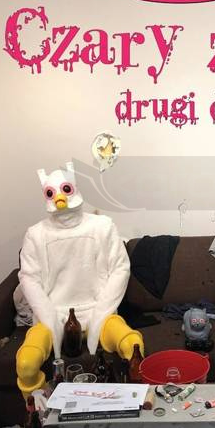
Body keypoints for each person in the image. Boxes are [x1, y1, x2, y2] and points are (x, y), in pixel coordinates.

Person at [16, 161, 144, 398]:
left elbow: (120, 268)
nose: (60, 199)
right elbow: (29, 278)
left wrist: (100, 313)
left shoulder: (102, 226)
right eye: (52, 193)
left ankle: (134, 406)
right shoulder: (36, 234)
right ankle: (39, 413)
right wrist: (51, 321)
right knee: (25, 365)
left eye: (65, 190)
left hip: (100, 313)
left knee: (133, 345)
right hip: (53, 315)